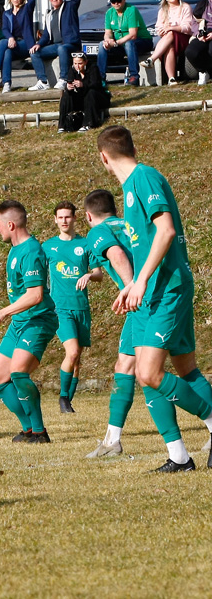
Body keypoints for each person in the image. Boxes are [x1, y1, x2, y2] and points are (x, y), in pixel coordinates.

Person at [96, 125, 212, 472]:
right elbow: (147, 242)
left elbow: (166, 231)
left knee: (148, 372)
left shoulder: (143, 178)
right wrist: (131, 286)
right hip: (152, 292)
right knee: (181, 369)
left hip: (167, 288)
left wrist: (141, 281)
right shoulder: (132, 186)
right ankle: (179, 456)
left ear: (104, 158)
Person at [0, 200, 58, 443]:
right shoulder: (15, 249)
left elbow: (35, 295)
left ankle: (40, 432)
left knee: (18, 373)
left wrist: (2, 312)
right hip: (20, 322)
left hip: (38, 320)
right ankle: (27, 430)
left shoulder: (31, 251)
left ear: (11, 224)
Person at [80, 189, 139, 458]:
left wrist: (131, 288)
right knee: (126, 364)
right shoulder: (130, 224)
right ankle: (111, 441)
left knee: (154, 374)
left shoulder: (97, 231)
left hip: (144, 301)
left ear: (88, 215)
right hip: (161, 294)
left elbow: (115, 254)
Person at [42, 201, 97, 414]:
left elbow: (99, 273)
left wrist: (89, 274)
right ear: (55, 220)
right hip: (60, 309)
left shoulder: (85, 245)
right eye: (60, 217)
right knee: (72, 352)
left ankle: (68, 403)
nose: (64, 220)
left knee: (77, 359)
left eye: (68, 216)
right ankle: (63, 399)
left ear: (75, 218)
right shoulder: (47, 247)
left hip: (81, 308)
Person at [29, 0, 82, 92]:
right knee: (34, 53)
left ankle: (63, 79)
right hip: (56, 45)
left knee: (62, 49)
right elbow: (46, 35)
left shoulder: (69, 7)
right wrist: (38, 44)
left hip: (70, 44)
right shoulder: (49, 14)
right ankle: (42, 82)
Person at [97, 0, 153, 87]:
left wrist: (115, 43)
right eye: (113, 2)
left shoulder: (131, 10)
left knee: (129, 43)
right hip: (121, 43)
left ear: (124, 0)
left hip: (141, 41)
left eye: (119, 1)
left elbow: (133, 34)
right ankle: (100, 78)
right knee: (102, 45)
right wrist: (108, 40)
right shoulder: (109, 13)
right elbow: (108, 32)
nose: (116, 4)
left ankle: (134, 76)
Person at [141, 0, 192, 86]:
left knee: (171, 33)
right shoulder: (163, 10)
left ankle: (152, 59)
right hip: (168, 39)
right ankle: (171, 78)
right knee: (169, 46)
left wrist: (171, 27)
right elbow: (158, 26)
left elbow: (188, 27)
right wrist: (162, 31)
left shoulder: (185, 7)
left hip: (183, 38)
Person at [58, 52, 109, 133]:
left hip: (97, 98)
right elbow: (70, 82)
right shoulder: (72, 69)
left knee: (91, 92)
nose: (77, 66)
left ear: (86, 62)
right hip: (81, 98)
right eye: (75, 63)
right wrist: (68, 87)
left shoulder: (93, 68)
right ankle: (62, 125)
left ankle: (88, 123)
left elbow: (96, 84)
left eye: (80, 63)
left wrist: (83, 85)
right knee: (67, 95)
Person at [185, 0, 212, 86]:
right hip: (203, 32)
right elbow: (194, 22)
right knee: (191, 51)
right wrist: (199, 34)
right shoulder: (203, 4)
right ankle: (202, 72)